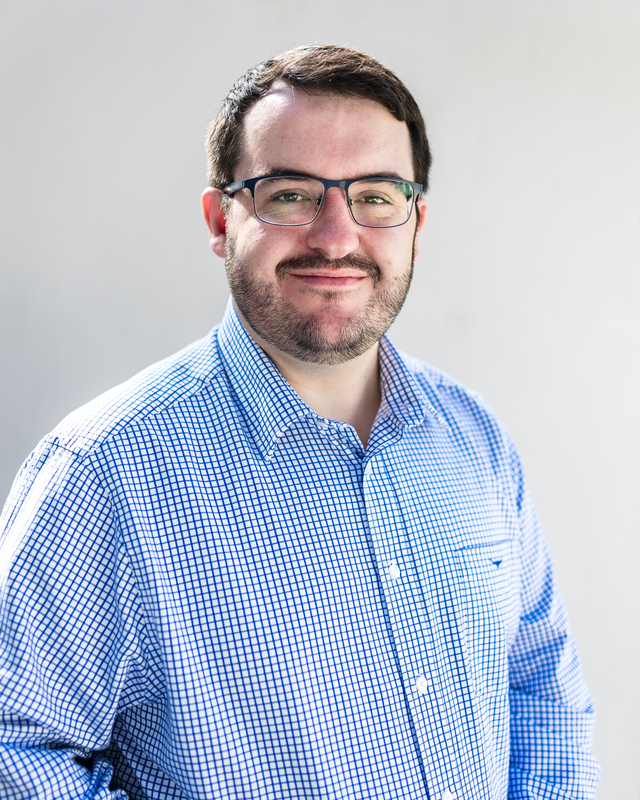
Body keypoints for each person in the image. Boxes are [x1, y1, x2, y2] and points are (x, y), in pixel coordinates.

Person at [0, 44, 600, 800]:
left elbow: (541, 687)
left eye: (376, 196)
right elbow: (19, 754)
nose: (336, 236)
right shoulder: (101, 474)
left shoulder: (473, 439)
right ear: (221, 220)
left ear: (416, 221)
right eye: (289, 194)